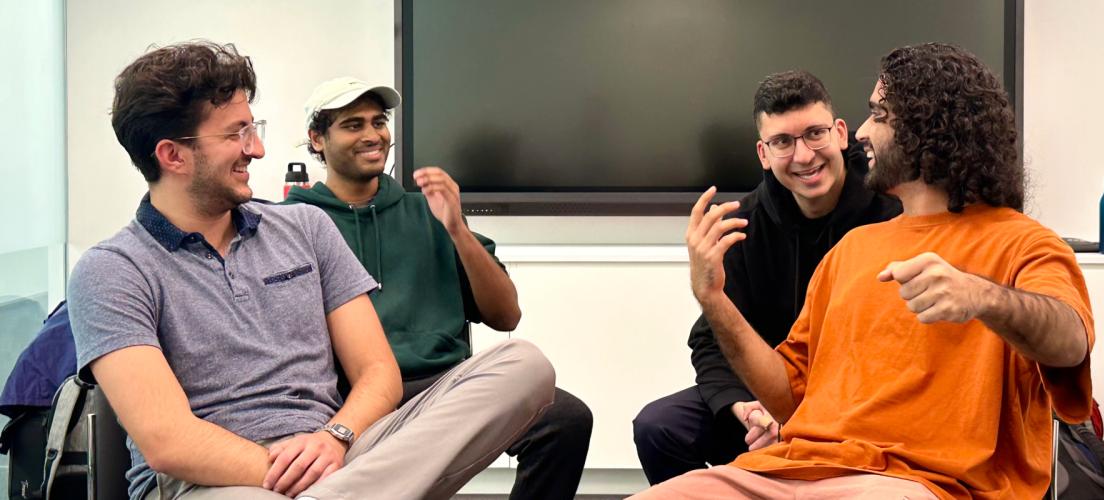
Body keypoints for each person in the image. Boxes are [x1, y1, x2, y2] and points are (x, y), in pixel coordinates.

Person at [68, 41, 555, 500]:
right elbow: (169, 443)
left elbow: (378, 372)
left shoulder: (305, 226)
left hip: (341, 451)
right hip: (211, 480)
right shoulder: (112, 270)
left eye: (252, 127)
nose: (256, 149)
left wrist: (335, 440)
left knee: (523, 365)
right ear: (172, 155)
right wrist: (299, 475)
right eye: (236, 133)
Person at [633, 43, 1094, 499]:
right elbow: (789, 399)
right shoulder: (852, 250)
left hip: (922, 481)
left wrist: (982, 297)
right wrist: (713, 298)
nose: (859, 132)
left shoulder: (1024, 242)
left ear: (926, 129)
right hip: (794, 467)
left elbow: (1071, 343)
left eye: (878, 115)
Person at [283, 77, 593, 500]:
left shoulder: (426, 210)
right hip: (350, 394)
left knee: (566, 420)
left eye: (379, 122)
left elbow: (506, 316)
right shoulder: (292, 222)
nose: (373, 135)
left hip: (443, 384)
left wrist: (455, 228)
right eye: (353, 125)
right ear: (317, 140)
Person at [632, 70, 900, 484]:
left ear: (841, 133)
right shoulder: (741, 225)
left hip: (860, 410)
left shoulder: (892, 212)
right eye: (782, 142)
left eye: (815, 133)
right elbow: (709, 339)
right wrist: (744, 405)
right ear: (763, 153)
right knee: (659, 425)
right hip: (768, 403)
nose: (804, 156)